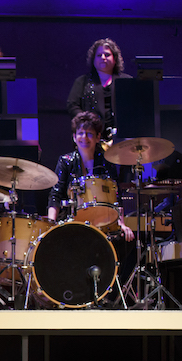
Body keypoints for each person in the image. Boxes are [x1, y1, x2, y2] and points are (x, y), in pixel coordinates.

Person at [47, 112, 134, 241]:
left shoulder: (106, 162)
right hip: (71, 220)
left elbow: (116, 195)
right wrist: (50, 224)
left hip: (103, 221)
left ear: (98, 137)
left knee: (125, 239)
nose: (84, 138)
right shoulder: (66, 161)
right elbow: (56, 194)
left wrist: (121, 224)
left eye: (89, 134)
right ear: (74, 137)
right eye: (81, 133)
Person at [67, 38, 131, 142]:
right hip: (91, 136)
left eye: (107, 55)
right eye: (99, 55)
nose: (103, 58)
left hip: (121, 137)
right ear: (93, 59)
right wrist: (86, 122)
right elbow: (72, 105)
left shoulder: (126, 81)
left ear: (115, 58)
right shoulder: (82, 81)